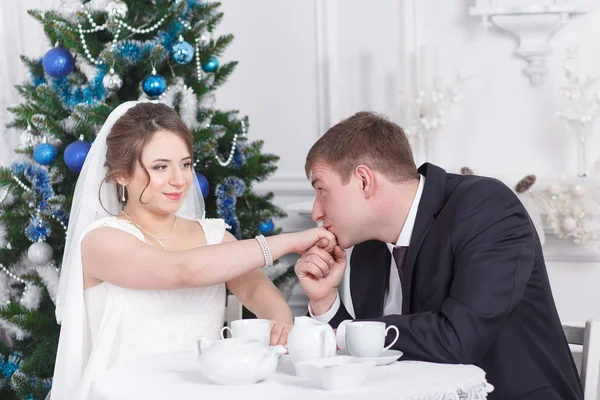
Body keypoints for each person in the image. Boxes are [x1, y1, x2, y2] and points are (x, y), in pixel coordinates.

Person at [50, 101, 335, 400]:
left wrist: (280, 319)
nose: (179, 180)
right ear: (122, 174)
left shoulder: (212, 236)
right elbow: (183, 270)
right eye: (160, 167)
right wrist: (288, 242)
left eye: (185, 164)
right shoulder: (101, 241)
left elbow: (254, 289)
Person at [295, 111, 583, 400]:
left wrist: (341, 333)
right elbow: (376, 354)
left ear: (363, 181)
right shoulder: (368, 248)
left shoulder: (487, 209)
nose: (316, 212)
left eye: (322, 190)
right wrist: (325, 303)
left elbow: (458, 339)